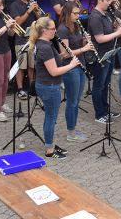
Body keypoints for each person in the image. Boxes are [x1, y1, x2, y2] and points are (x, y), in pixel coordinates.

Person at [29, 17, 81, 158]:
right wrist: (71, 65)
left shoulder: (42, 43)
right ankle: (50, 150)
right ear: (45, 31)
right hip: (49, 86)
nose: (56, 30)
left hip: (45, 85)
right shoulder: (45, 47)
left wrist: (66, 53)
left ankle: (50, 144)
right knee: (51, 118)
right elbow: (53, 71)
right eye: (53, 28)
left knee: (50, 117)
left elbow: (55, 58)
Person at [56, 2, 94, 143]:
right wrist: (83, 50)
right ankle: (71, 132)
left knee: (77, 100)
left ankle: (74, 127)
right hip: (70, 68)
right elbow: (64, 54)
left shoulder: (76, 26)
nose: (79, 16)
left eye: (79, 13)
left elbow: (77, 46)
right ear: (67, 13)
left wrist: (84, 42)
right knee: (72, 101)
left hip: (80, 65)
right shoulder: (63, 30)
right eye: (76, 13)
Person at [88, 0, 121, 124]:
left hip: (109, 53)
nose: (110, 3)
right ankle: (99, 114)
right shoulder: (96, 17)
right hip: (100, 55)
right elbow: (99, 38)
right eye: (107, 1)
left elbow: (110, 32)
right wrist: (117, 33)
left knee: (106, 84)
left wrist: (116, 26)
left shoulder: (106, 14)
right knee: (99, 85)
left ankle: (105, 109)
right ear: (99, 0)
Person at [10, 0, 40, 100]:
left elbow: (40, 19)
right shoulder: (15, 5)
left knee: (32, 65)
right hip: (21, 40)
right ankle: (20, 89)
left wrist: (36, 10)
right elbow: (18, 22)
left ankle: (32, 88)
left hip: (33, 39)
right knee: (21, 66)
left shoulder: (31, 3)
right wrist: (29, 10)